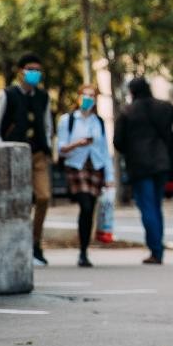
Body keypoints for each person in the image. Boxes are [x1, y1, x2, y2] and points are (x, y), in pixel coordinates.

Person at [113, 77, 173, 265]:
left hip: (139, 165)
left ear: (131, 92)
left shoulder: (126, 112)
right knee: (156, 206)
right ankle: (157, 249)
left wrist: (130, 151)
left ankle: (156, 250)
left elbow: (118, 142)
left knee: (147, 207)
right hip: (161, 163)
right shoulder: (164, 106)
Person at [0, 52, 53, 266]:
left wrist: (49, 148)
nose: (34, 74)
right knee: (19, 203)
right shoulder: (6, 95)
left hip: (38, 155)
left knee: (43, 197)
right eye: (30, 69)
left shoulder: (43, 97)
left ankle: (35, 244)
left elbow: (46, 124)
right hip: (13, 157)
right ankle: (18, 245)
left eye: (38, 70)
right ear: (20, 72)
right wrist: (2, 153)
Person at [57, 84, 114, 268]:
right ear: (79, 97)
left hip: (95, 167)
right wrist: (77, 144)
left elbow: (105, 150)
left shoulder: (98, 121)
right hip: (76, 165)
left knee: (91, 208)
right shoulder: (68, 120)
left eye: (92, 96)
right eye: (85, 95)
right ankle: (82, 250)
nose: (88, 99)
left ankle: (84, 250)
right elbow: (61, 149)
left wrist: (110, 175)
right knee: (86, 206)